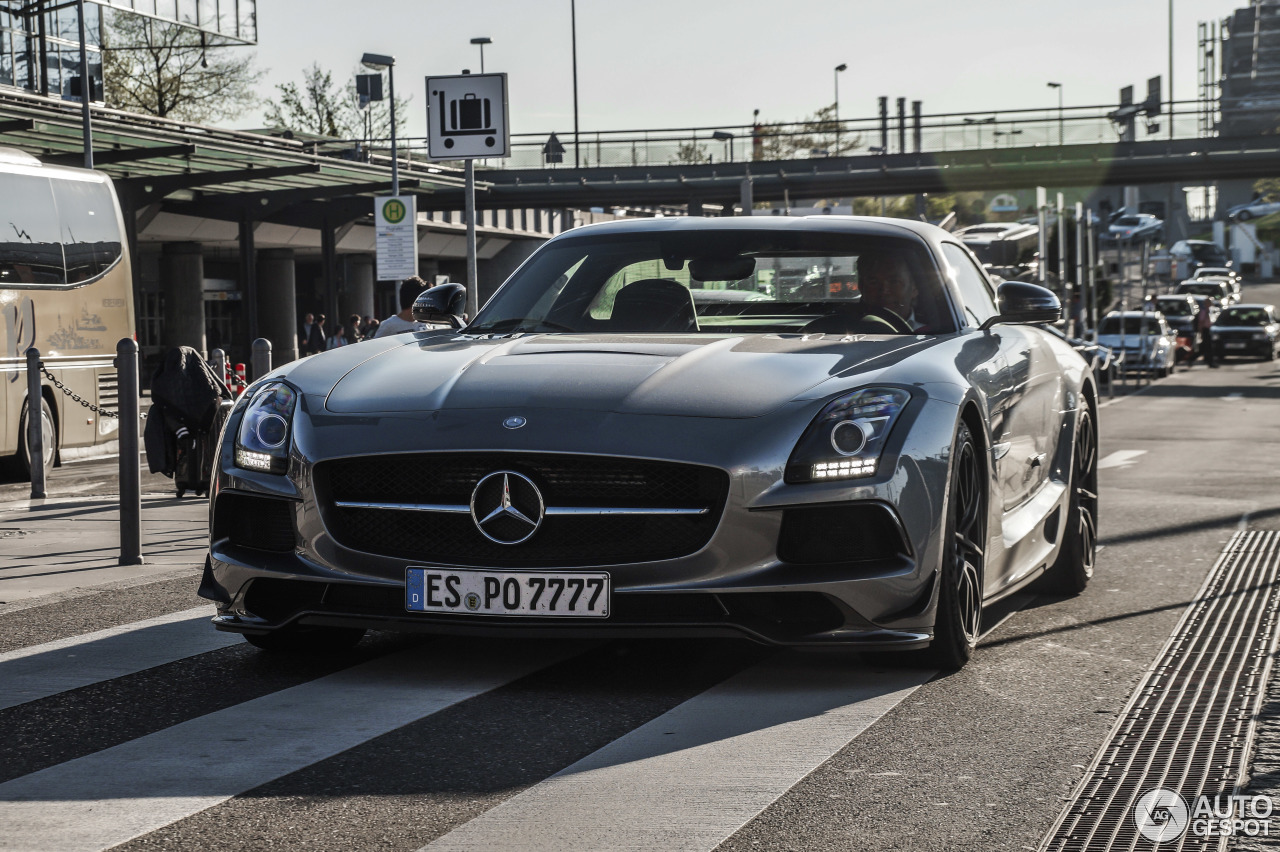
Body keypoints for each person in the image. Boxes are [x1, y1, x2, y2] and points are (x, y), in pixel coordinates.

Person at [856, 253, 920, 334]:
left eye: (894, 282)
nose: (884, 291)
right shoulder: (845, 331)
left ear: (914, 288)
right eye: (874, 282)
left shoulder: (930, 332)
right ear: (861, 286)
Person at [1194, 297, 1217, 368]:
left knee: (1205, 347)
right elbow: (1201, 322)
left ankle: (1208, 360)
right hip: (1205, 330)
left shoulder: (1209, 310)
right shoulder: (1204, 311)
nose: (1210, 304)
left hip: (1209, 330)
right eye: (1208, 303)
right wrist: (1200, 332)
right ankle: (1210, 362)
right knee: (1208, 347)